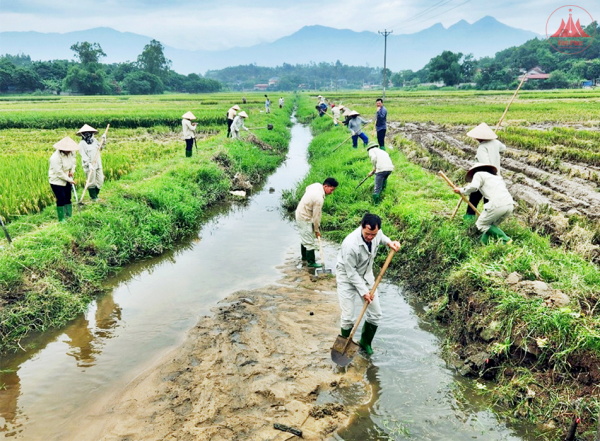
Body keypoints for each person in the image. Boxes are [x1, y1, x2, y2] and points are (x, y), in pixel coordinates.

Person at [336, 213, 401, 355]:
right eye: (367, 234)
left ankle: (365, 343)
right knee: (348, 317)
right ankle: (343, 347)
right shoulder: (350, 244)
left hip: (366, 276)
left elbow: (382, 237)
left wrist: (390, 242)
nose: (370, 237)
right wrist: (364, 292)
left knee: (376, 314)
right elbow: (351, 273)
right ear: (361, 226)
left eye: (373, 234)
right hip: (347, 277)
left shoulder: (377, 234)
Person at [455, 163, 514, 245]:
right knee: (489, 226)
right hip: (509, 205)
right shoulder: (497, 178)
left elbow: (474, 187)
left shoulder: (478, 174)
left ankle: (505, 239)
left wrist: (461, 190)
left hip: (497, 205)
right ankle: (483, 244)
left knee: (481, 224)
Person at [464, 122, 506, 219]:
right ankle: (488, 221)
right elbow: (503, 148)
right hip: (495, 177)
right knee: (489, 200)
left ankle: (469, 219)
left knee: (474, 198)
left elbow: (485, 164)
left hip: (484, 177)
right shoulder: (496, 143)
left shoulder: (482, 148)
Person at [295, 177, 339, 268]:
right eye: (331, 190)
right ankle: (311, 263)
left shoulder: (317, 185)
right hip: (304, 217)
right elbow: (316, 217)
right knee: (309, 241)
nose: (332, 192)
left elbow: (307, 188)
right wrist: (316, 230)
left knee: (305, 237)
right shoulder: (319, 199)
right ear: (326, 186)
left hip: (301, 211)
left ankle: (304, 258)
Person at [49, 137, 79, 221]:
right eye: (67, 149)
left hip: (67, 177)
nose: (69, 150)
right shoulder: (55, 157)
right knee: (61, 198)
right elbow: (59, 173)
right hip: (57, 180)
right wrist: (70, 180)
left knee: (68, 197)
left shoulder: (72, 153)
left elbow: (73, 163)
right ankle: (62, 219)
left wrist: (72, 171)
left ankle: (69, 215)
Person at [78, 124, 106, 200]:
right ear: (82, 134)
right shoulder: (82, 144)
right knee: (91, 182)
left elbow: (100, 148)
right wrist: (89, 164)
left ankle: (96, 194)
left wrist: (103, 140)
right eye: (86, 133)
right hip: (89, 166)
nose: (88, 134)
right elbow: (83, 155)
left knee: (100, 181)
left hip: (98, 164)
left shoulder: (95, 141)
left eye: (89, 133)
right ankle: (94, 197)